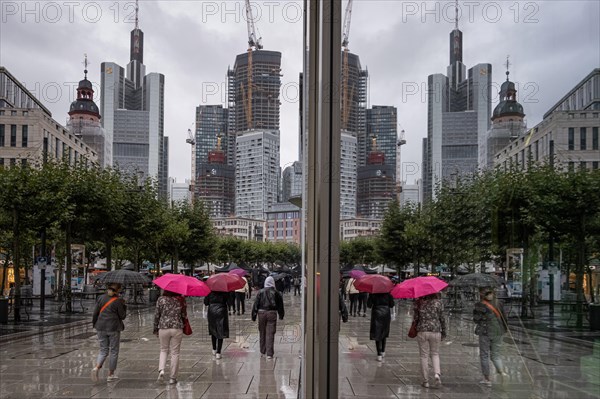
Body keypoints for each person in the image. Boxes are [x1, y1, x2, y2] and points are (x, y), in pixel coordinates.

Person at [91, 283, 127, 382]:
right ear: (118, 290)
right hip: (113, 328)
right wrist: (124, 305)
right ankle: (110, 374)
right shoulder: (118, 301)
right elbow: (122, 316)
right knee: (114, 351)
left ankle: (97, 367)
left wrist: (95, 324)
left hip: (100, 327)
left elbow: (95, 313)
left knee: (103, 350)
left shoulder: (100, 298)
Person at [473, 288, 509, 386]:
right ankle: (502, 373)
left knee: (484, 355)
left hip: (485, 332)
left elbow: (476, 320)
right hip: (498, 331)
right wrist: (505, 329)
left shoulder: (479, 305)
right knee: (496, 355)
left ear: (482, 294)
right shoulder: (499, 303)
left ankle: (487, 379)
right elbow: (504, 317)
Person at [413, 293, 446, 388]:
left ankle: (425, 381)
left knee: (424, 356)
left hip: (422, 331)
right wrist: (444, 332)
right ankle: (437, 374)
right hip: (436, 330)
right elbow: (442, 319)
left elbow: (415, 318)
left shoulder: (419, 303)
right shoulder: (438, 303)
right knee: (435, 354)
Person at [252, 276, 284, 359]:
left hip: (261, 313)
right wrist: (281, 314)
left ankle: (263, 351)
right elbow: (280, 305)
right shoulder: (276, 293)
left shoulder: (260, 292)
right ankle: (269, 354)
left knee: (262, 332)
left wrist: (254, 315)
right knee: (270, 333)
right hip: (272, 313)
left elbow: (256, 304)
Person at [367, 291, 394, 362]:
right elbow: (391, 304)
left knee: (377, 332)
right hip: (386, 313)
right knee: (384, 332)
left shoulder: (373, 293)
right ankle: (383, 351)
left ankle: (379, 354)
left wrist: (370, 297)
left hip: (376, 313)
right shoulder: (388, 293)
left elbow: (369, 305)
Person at [204, 291, 232, 359]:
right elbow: (230, 303)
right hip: (221, 311)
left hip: (211, 311)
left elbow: (206, 302)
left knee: (213, 330)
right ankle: (218, 352)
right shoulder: (225, 291)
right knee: (220, 330)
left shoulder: (209, 291)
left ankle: (214, 349)